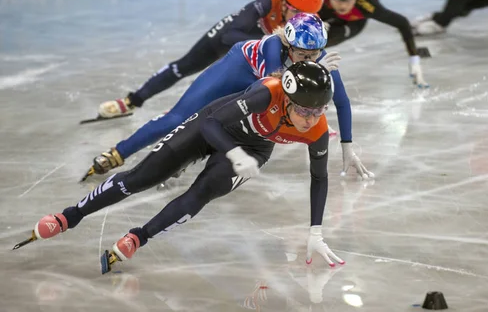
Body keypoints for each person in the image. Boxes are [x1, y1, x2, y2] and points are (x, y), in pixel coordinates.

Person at [14, 61, 346, 274]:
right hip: (215, 126)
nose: (311, 119)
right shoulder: (266, 95)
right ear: (287, 98)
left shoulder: (316, 130)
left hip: (254, 149)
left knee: (202, 192)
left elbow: (320, 177)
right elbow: (212, 125)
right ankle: (69, 216)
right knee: (142, 178)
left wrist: (315, 230)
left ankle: (138, 237)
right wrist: (233, 153)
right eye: (304, 111)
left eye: (318, 112)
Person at [86, 13, 372, 181]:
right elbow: (268, 87)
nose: (308, 60)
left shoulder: (320, 59)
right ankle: (118, 153)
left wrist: (347, 146)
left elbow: (342, 101)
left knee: (224, 126)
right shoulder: (275, 46)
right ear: (287, 43)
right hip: (234, 71)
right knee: (178, 118)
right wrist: (317, 69)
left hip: (257, 83)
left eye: (313, 55)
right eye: (301, 54)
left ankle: (182, 158)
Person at [98, 0, 324, 119]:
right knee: (183, 67)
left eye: (307, 15)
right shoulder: (269, 1)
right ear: (284, 3)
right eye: (296, 12)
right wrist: (271, 40)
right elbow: (230, 36)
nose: (300, 18)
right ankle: (132, 101)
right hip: (228, 41)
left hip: (250, 53)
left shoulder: (303, 25)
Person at [316, 0, 429, 88]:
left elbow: (402, 23)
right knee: (309, 30)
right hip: (324, 12)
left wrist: (414, 60)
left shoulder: (365, 3)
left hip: (354, 22)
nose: (344, 5)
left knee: (329, 35)